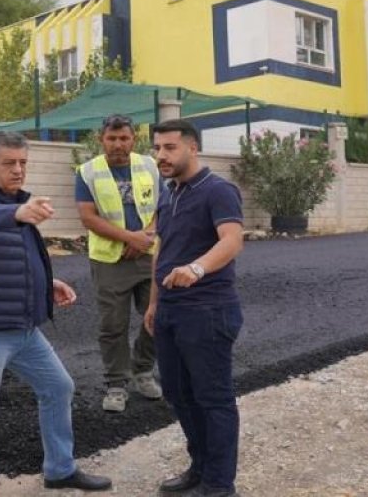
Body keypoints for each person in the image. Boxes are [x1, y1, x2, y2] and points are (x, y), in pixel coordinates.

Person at [0, 131, 112, 497]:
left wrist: (46, 284)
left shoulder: (18, 202)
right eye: (9, 163)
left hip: (24, 329)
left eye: (23, 162)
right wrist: (17, 212)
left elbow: (13, 259)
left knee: (58, 387)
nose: (18, 169)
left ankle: (59, 468)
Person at [142, 119, 245, 497]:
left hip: (208, 310)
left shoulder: (218, 191)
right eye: (157, 148)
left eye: (169, 147)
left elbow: (232, 241)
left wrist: (197, 268)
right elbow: (162, 249)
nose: (161, 155)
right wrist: (154, 301)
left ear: (192, 147)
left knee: (213, 397)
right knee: (178, 394)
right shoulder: (169, 192)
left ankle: (219, 485)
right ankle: (200, 468)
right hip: (171, 310)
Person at [75, 114, 163, 412]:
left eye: (123, 138)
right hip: (109, 261)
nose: (117, 144)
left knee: (158, 315)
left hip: (148, 255)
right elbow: (88, 217)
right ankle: (116, 384)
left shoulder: (149, 165)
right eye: (111, 139)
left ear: (132, 139)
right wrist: (130, 238)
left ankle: (142, 370)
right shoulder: (88, 172)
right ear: (102, 140)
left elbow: (162, 206)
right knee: (113, 324)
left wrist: (145, 237)